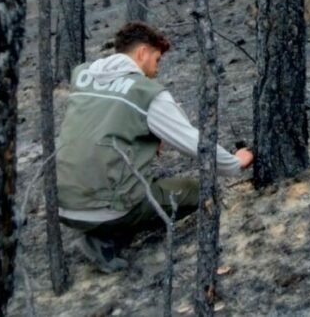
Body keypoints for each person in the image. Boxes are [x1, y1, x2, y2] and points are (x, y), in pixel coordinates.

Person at [56, 21, 253, 273]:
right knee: (200, 190)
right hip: (108, 209)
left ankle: (97, 228)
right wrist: (236, 163)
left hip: (63, 204)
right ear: (142, 53)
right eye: (156, 60)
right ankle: (106, 237)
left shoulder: (82, 75)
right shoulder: (146, 92)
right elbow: (195, 143)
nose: (156, 70)